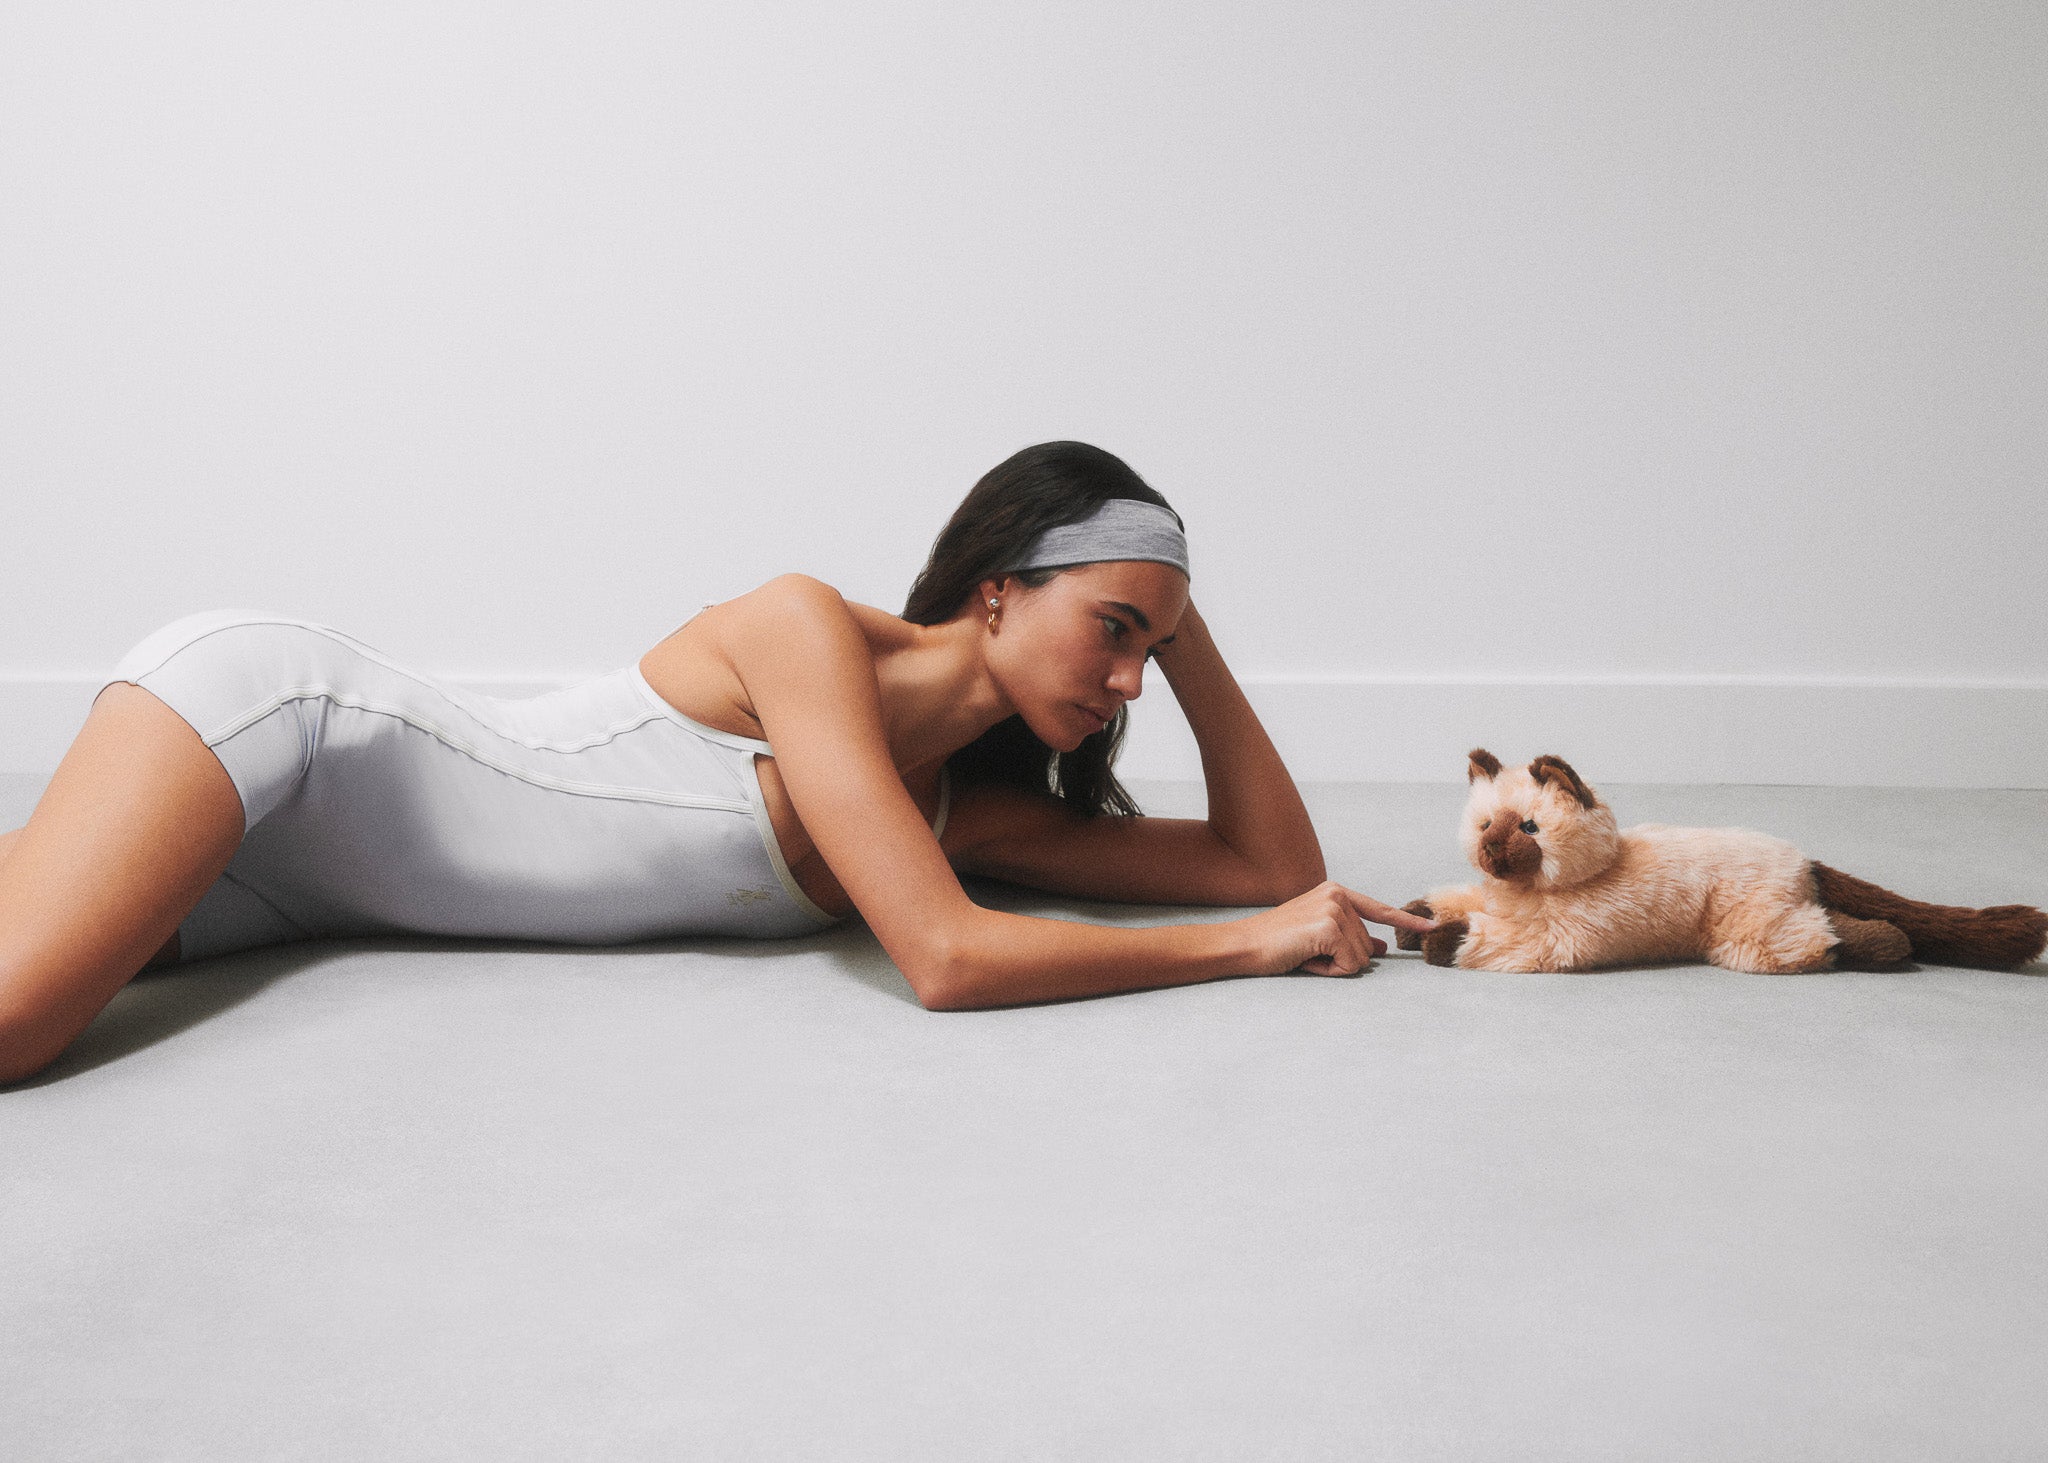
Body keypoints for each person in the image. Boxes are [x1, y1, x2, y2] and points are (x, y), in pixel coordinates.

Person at [0, 441, 1433, 1081]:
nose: (1126, 682)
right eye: (1111, 631)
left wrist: (1180, 623)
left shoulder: (955, 813)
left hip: (288, 894)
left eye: (1147, 656)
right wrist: (1248, 949)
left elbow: (1271, 864)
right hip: (292, 732)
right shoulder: (804, 631)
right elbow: (946, 959)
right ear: (998, 590)